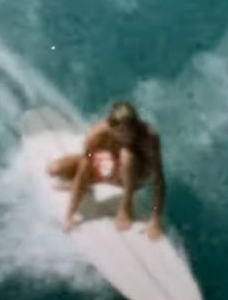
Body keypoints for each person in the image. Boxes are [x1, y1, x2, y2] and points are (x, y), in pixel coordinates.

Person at [46, 101, 166, 240]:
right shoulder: (98, 135)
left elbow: (159, 181)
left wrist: (155, 219)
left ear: (136, 126)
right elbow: (85, 164)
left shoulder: (149, 138)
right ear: (111, 128)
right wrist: (70, 215)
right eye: (121, 132)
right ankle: (85, 187)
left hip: (136, 176)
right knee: (54, 169)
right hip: (110, 168)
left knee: (128, 156)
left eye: (130, 131)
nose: (126, 136)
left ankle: (126, 206)